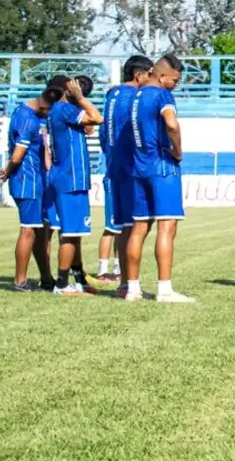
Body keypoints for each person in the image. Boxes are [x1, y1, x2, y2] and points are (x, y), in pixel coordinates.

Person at [126, 54, 192, 304]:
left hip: (138, 167)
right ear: (163, 76)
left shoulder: (137, 95)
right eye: (175, 80)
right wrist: (177, 150)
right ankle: (164, 290)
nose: (176, 85)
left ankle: (132, 288)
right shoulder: (163, 95)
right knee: (167, 226)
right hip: (161, 165)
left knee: (139, 227)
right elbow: (171, 124)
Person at [96, 55, 152, 292]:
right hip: (130, 167)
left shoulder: (111, 96)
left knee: (122, 225)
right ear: (139, 75)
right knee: (135, 225)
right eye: (149, 74)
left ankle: (123, 283)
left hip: (113, 166)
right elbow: (137, 131)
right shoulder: (133, 98)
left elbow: (102, 133)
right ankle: (130, 285)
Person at [0, 84, 63, 291]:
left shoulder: (22, 109)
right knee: (28, 230)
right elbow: (18, 154)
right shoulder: (29, 120)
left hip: (36, 180)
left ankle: (46, 279)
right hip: (28, 180)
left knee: (39, 230)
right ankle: (20, 281)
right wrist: (8, 171)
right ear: (46, 107)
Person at [45, 76, 104, 295]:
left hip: (64, 177)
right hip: (71, 178)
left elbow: (88, 126)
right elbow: (98, 118)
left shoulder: (59, 111)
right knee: (70, 233)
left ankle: (78, 278)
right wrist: (80, 99)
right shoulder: (64, 109)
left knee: (74, 231)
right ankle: (61, 284)